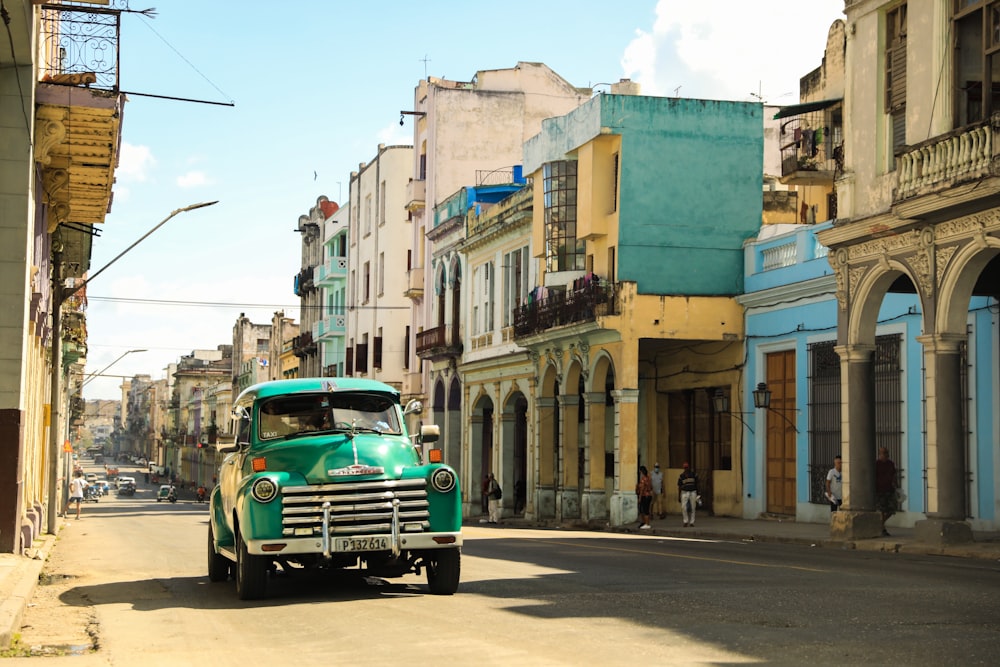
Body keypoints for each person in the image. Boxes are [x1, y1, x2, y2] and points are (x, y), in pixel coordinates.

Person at [875, 447, 898, 536]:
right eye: (883, 453)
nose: (885, 455)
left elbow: (894, 475)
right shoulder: (876, 464)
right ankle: (882, 527)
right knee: (881, 509)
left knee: (891, 509)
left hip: (889, 489)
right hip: (879, 490)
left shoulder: (890, 464)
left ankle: (880, 524)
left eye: (886, 453)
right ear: (880, 454)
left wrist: (896, 486)